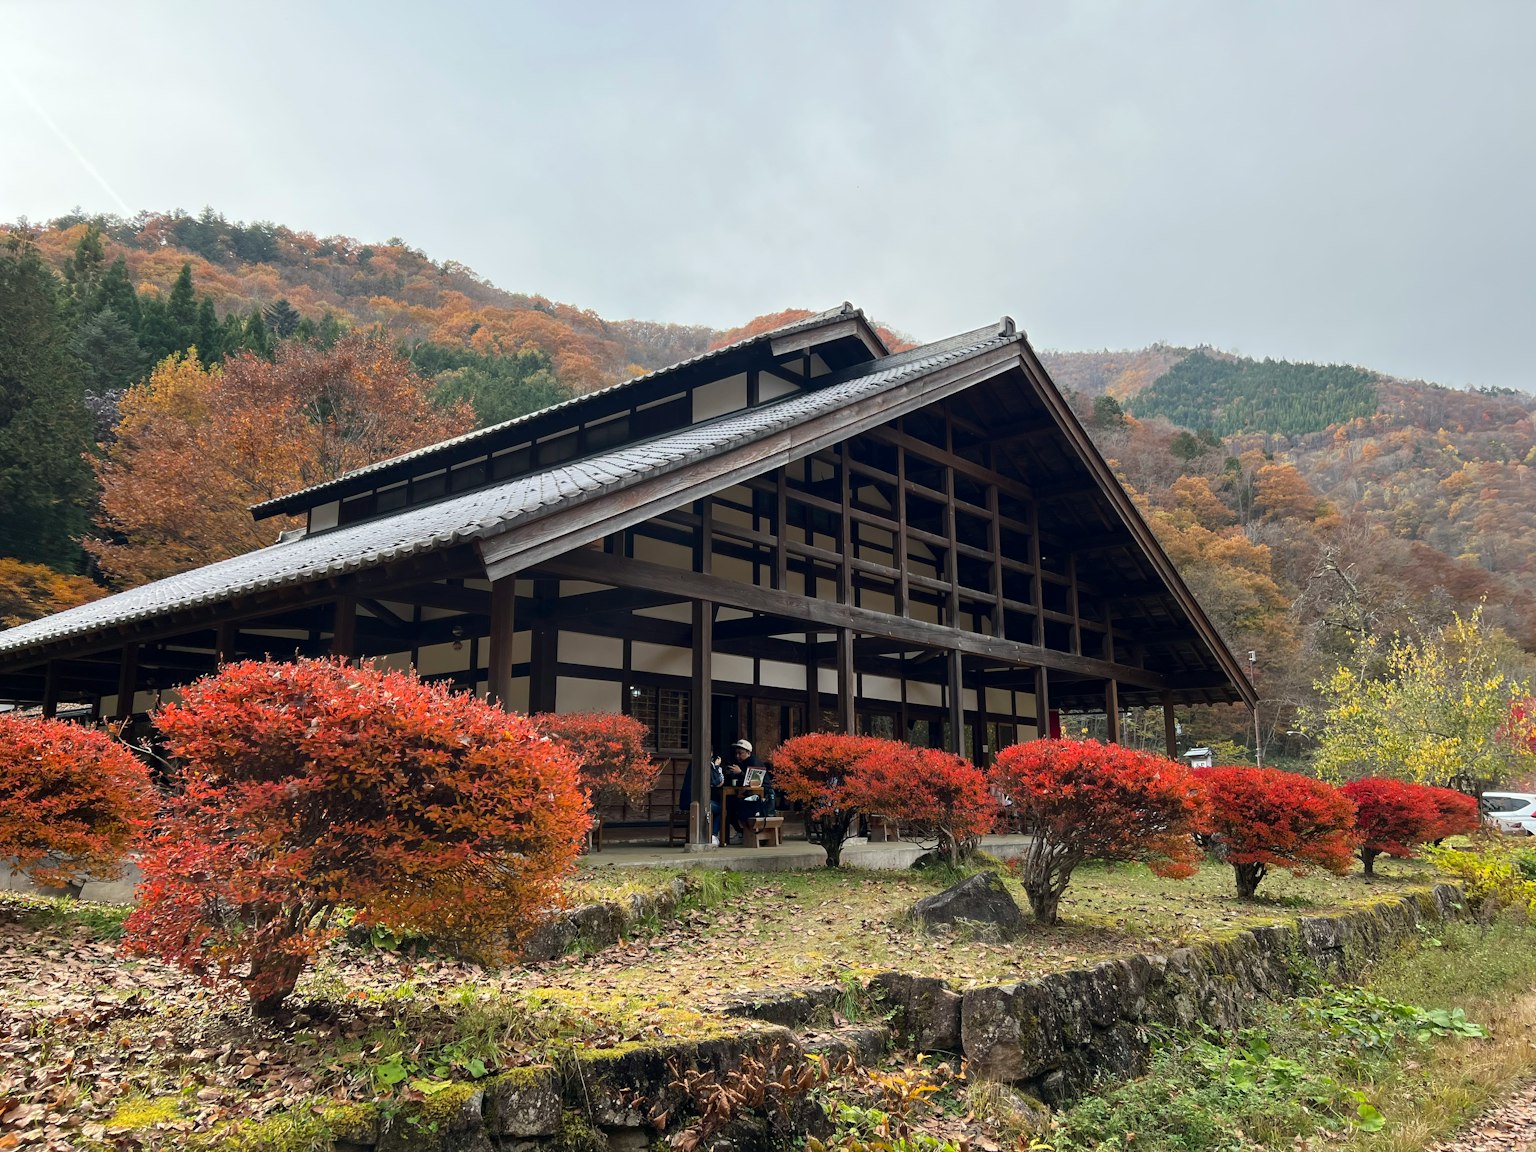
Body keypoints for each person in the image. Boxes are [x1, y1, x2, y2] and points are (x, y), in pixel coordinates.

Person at [723, 738, 769, 844]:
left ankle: (744, 833)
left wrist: (740, 773)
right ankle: (740, 832)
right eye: (736, 753)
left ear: (748, 752)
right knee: (728, 805)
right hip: (745, 793)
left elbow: (754, 783)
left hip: (760, 795)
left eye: (740, 753)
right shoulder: (740, 763)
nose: (737, 756)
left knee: (738, 806)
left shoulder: (754, 762)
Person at [677, 757, 724, 846]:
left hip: (686, 801)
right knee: (720, 809)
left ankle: (709, 834)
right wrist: (717, 767)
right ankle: (713, 835)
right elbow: (716, 782)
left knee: (714, 807)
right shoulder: (705, 765)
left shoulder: (693, 764)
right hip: (697, 802)